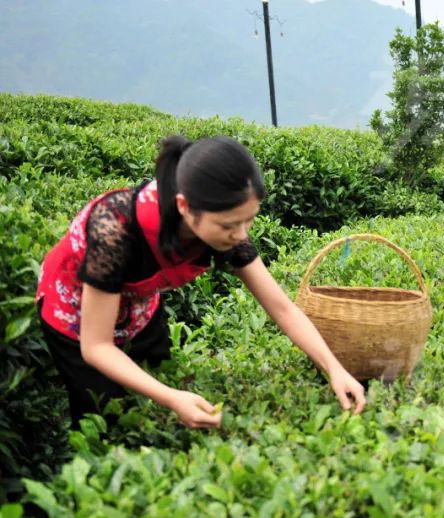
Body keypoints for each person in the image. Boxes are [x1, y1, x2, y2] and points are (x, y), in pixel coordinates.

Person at [36, 134, 366, 430]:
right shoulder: (115, 229)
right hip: (76, 316)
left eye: (249, 220)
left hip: (138, 308)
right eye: (228, 225)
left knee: (159, 384)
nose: (241, 235)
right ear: (184, 206)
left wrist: (334, 369)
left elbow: (282, 309)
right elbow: (96, 347)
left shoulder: (227, 229)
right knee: (105, 418)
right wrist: (172, 398)